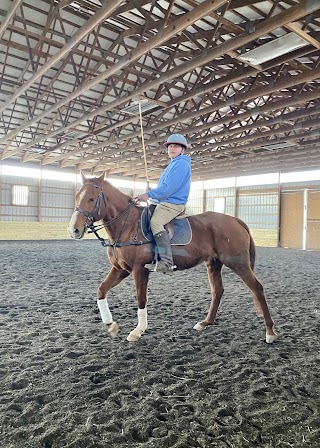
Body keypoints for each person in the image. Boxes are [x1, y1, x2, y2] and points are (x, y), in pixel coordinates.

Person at [136, 133, 191, 273]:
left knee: (156, 222)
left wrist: (148, 194)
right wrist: (152, 192)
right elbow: (164, 188)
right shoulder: (172, 164)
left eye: (176, 146)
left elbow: (169, 189)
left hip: (173, 203)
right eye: (170, 146)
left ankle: (167, 262)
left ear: (182, 149)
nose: (172, 148)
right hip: (164, 201)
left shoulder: (182, 164)